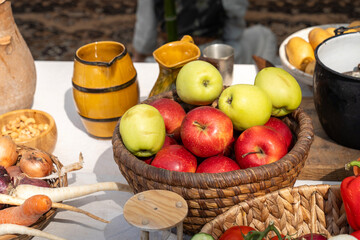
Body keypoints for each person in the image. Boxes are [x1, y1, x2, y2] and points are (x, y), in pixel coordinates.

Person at [132, 0, 279, 64]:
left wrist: (138, 59)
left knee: (148, 61)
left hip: (173, 52)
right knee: (264, 35)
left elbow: (146, 31)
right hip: (212, 52)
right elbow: (234, 21)